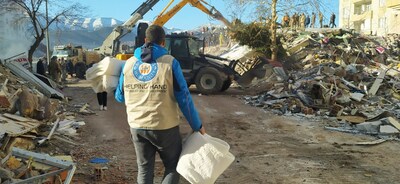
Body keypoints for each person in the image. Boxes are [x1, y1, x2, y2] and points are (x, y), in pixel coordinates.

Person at [115, 25, 206, 184]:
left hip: (137, 126)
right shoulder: (170, 62)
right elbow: (184, 97)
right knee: (173, 166)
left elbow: (120, 97)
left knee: (144, 168)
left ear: (145, 40)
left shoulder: (128, 64)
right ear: (163, 43)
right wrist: (197, 125)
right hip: (165, 127)